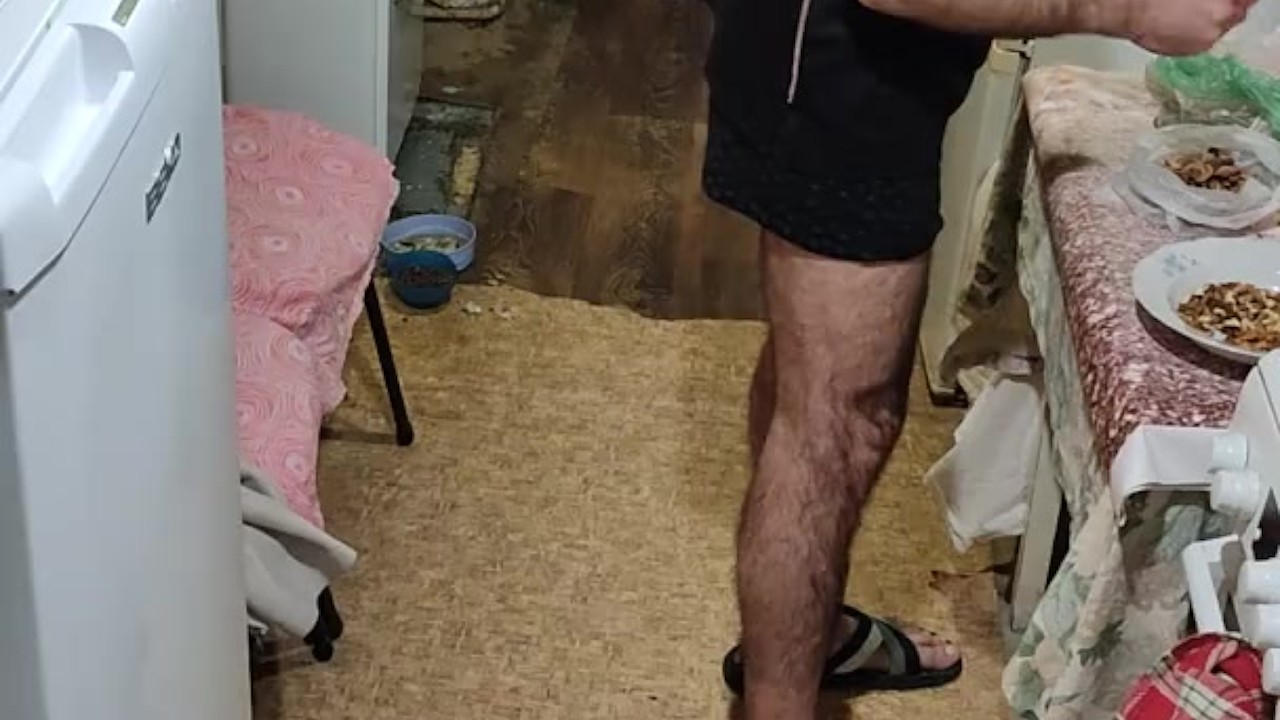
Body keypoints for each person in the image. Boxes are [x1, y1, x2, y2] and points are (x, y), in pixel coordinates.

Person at [700, 0, 1256, 716]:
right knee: (836, 425)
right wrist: (1128, 12)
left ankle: (810, 637)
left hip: (827, 62)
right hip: (838, 81)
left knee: (812, 391)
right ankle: (780, 697)